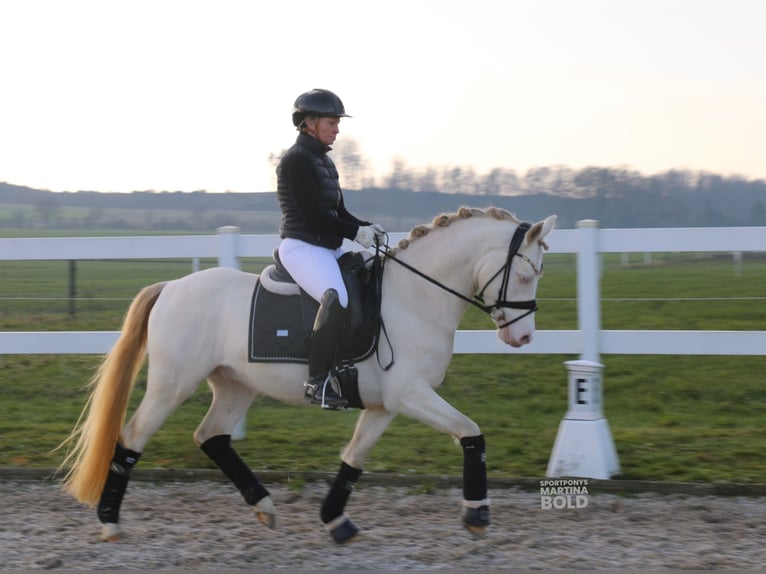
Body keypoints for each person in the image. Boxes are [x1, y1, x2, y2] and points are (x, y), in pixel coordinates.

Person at [276, 88, 384, 409]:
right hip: (302, 246)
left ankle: (352, 365)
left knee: (366, 277)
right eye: (331, 122)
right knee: (336, 297)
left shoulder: (324, 161)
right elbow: (315, 217)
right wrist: (355, 233)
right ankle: (317, 382)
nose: (337, 128)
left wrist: (365, 228)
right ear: (309, 123)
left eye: (338, 122)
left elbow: (339, 213)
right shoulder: (296, 161)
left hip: (327, 247)